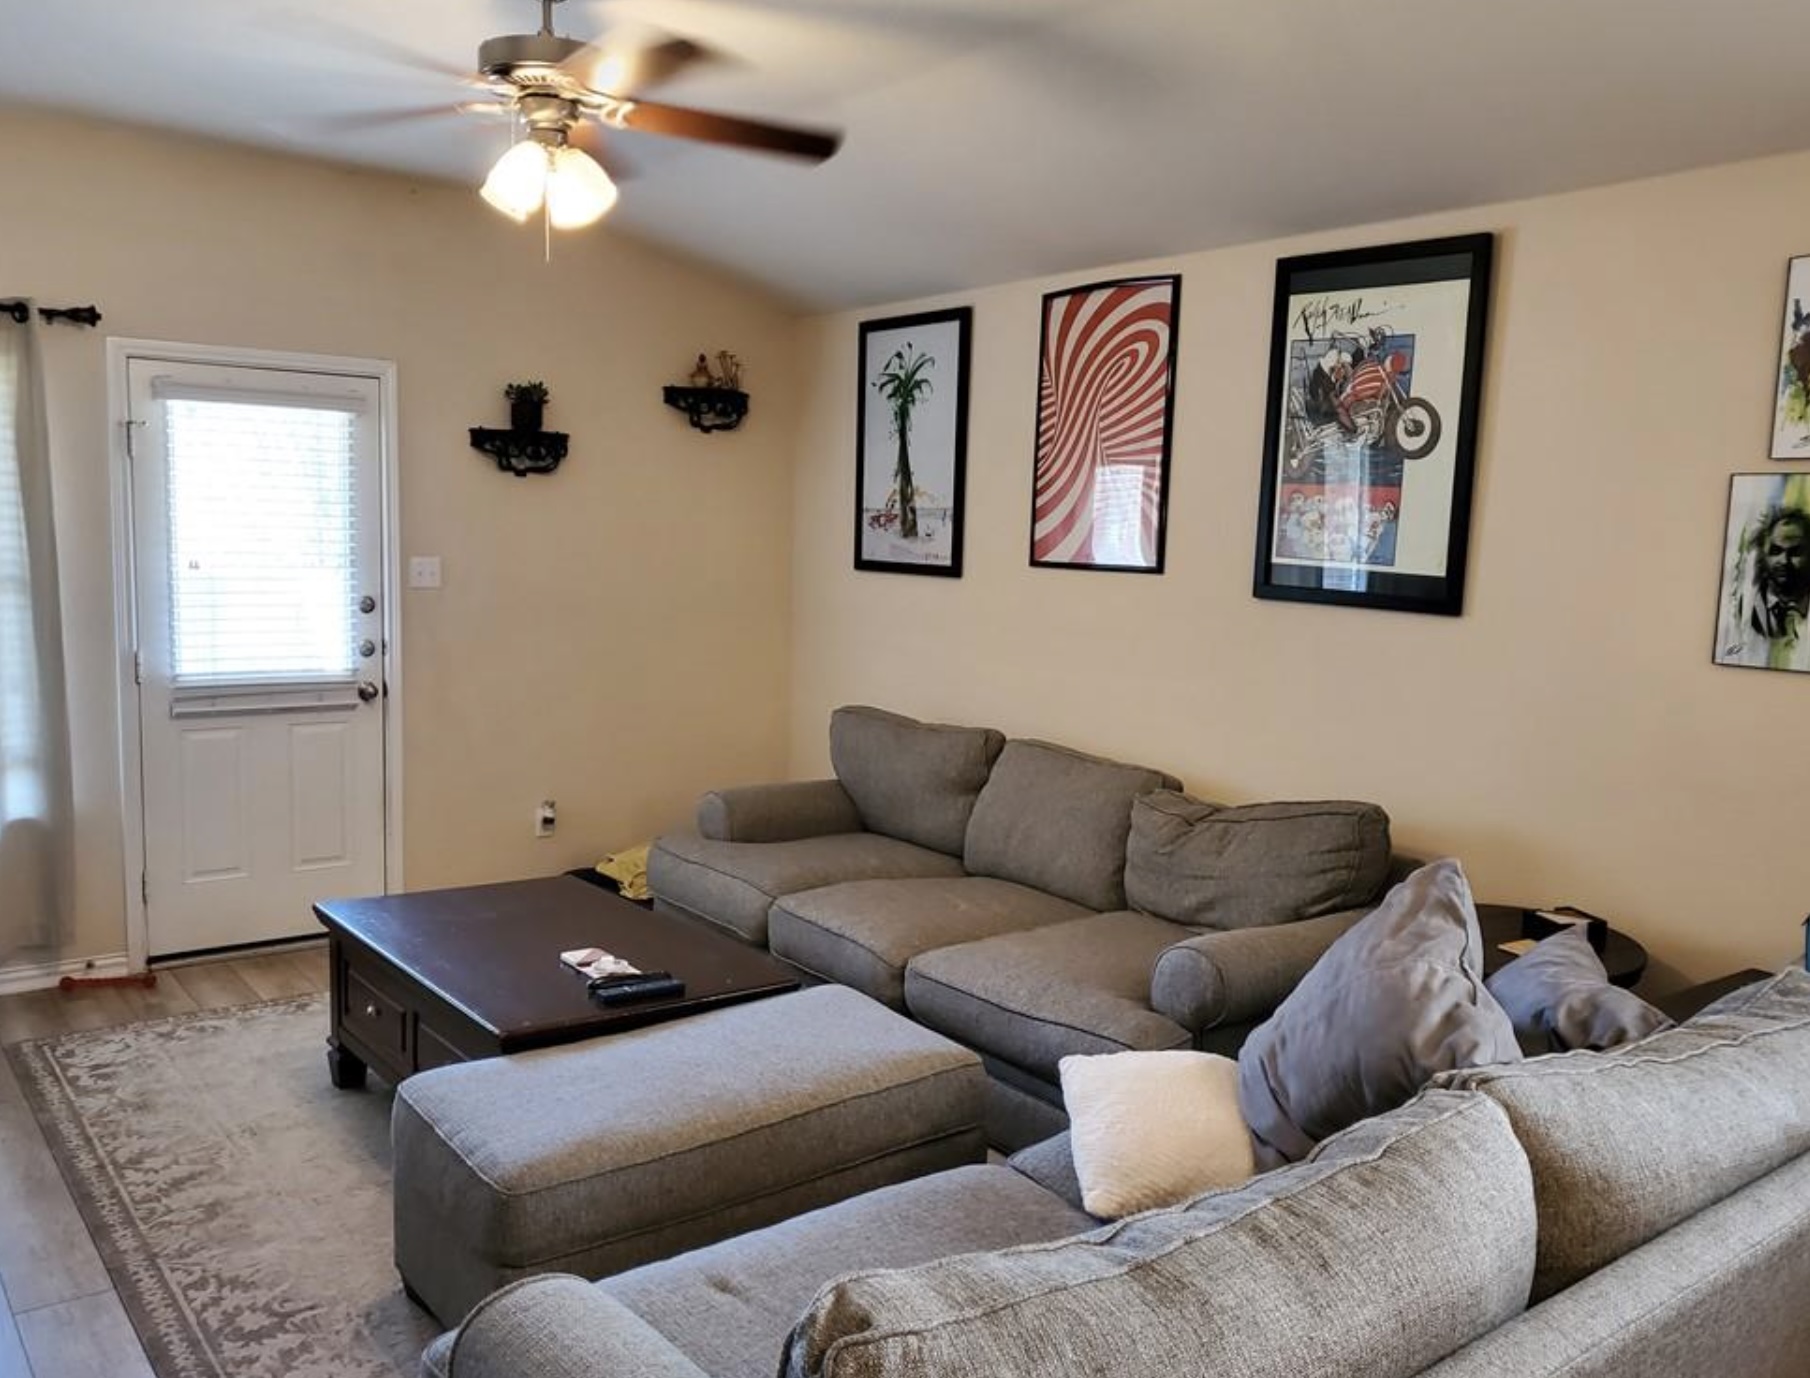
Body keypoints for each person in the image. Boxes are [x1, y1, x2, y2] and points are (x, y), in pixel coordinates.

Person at [1720, 503, 1810, 670]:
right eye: (1775, 551)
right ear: (1763, 554)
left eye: (1796, 552)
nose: (1783, 561)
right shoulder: (1742, 611)